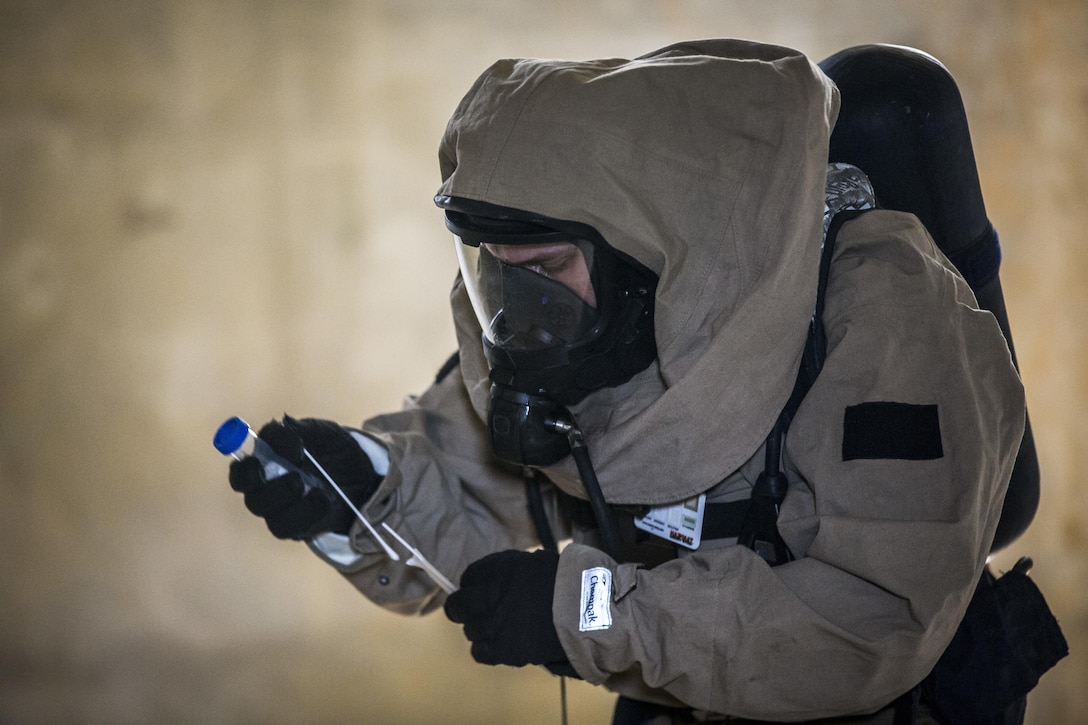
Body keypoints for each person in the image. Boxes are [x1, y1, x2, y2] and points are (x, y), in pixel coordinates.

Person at [227, 39, 1031, 723]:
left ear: (652, 246)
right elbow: (465, 496)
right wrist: (362, 487)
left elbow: (869, 622)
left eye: (544, 269)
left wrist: (585, 614)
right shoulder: (582, 331)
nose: (517, 312)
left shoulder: (880, 308)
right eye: (494, 273)